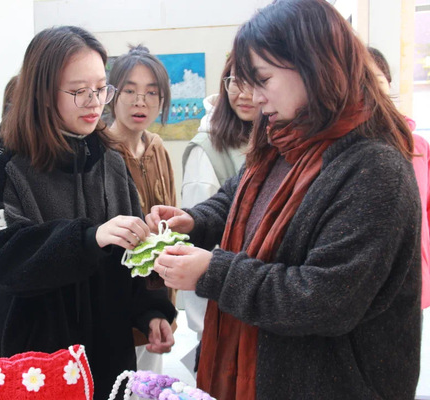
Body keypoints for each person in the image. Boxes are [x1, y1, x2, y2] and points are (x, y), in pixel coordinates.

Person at [147, 0, 421, 398]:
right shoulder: (284, 140)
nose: (253, 97)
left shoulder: (374, 169)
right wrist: (194, 221)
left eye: (262, 79)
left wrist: (214, 272)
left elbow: (323, 299)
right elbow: (236, 200)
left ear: (314, 66)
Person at [0, 26, 176, 400]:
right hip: (35, 364)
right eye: (79, 91)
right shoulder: (3, 163)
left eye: (101, 89)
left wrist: (151, 311)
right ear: (42, 93)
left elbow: (134, 252)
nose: (94, 102)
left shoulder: (110, 160)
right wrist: (88, 238)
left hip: (106, 356)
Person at [180, 53, 258, 374]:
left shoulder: (271, 141)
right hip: (225, 310)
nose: (244, 93)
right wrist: (205, 327)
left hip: (253, 303)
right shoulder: (208, 148)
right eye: (235, 81)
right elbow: (200, 242)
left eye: (255, 80)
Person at [107, 44, 176, 374]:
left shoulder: (157, 147)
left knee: (151, 385)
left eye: (151, 92)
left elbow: (172, 221)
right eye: (130, 91)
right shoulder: (101, 152)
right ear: (112, 95)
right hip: (117, 306)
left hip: (158, 298)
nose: (140, 102)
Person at [368, 46, 430, 310]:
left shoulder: (418, 146)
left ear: (388, 84)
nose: (370, 90)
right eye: (359, 82)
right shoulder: (343, 151)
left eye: (377, 80)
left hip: (418, 283)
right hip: (371, 293)